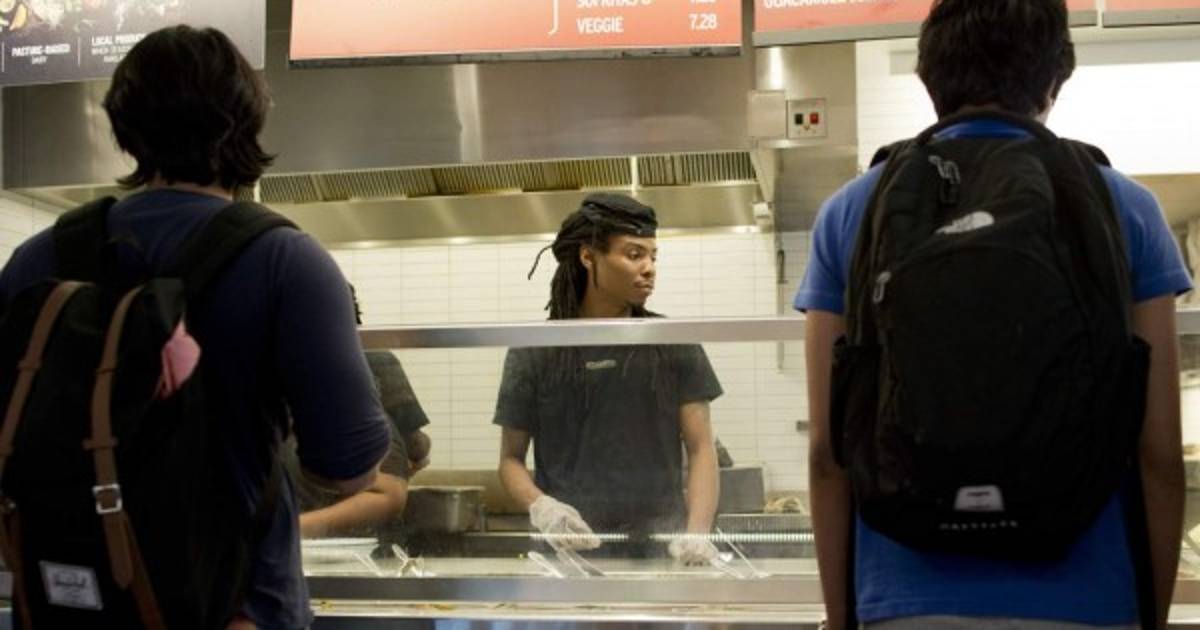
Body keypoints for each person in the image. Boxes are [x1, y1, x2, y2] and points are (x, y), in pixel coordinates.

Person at [796, 2, 1192, 629]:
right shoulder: (1122, 205)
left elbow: (827, 451)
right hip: (1087, 599)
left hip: (907, 600)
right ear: (1053, 80)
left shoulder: (854, 209)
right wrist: (1154, 618)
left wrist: (843, 618)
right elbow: (1160, 454)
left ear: (929, 79)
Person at [0, 26, 392, 629]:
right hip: (239, 609)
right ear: (248, 123)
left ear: (123, 126)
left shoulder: (38, 260)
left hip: (73, 601)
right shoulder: (287, 262)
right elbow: (349, 468)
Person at [493, 193, 724, 564]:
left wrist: (696, 534)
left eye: (653, 256)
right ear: (588, 257)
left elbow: (701, 448)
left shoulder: (671, 341)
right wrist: (543, 507)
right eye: (634, 255)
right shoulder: (537, 348)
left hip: (659, 549)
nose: (649, 268)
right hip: (569, 555)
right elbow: (510, 460)